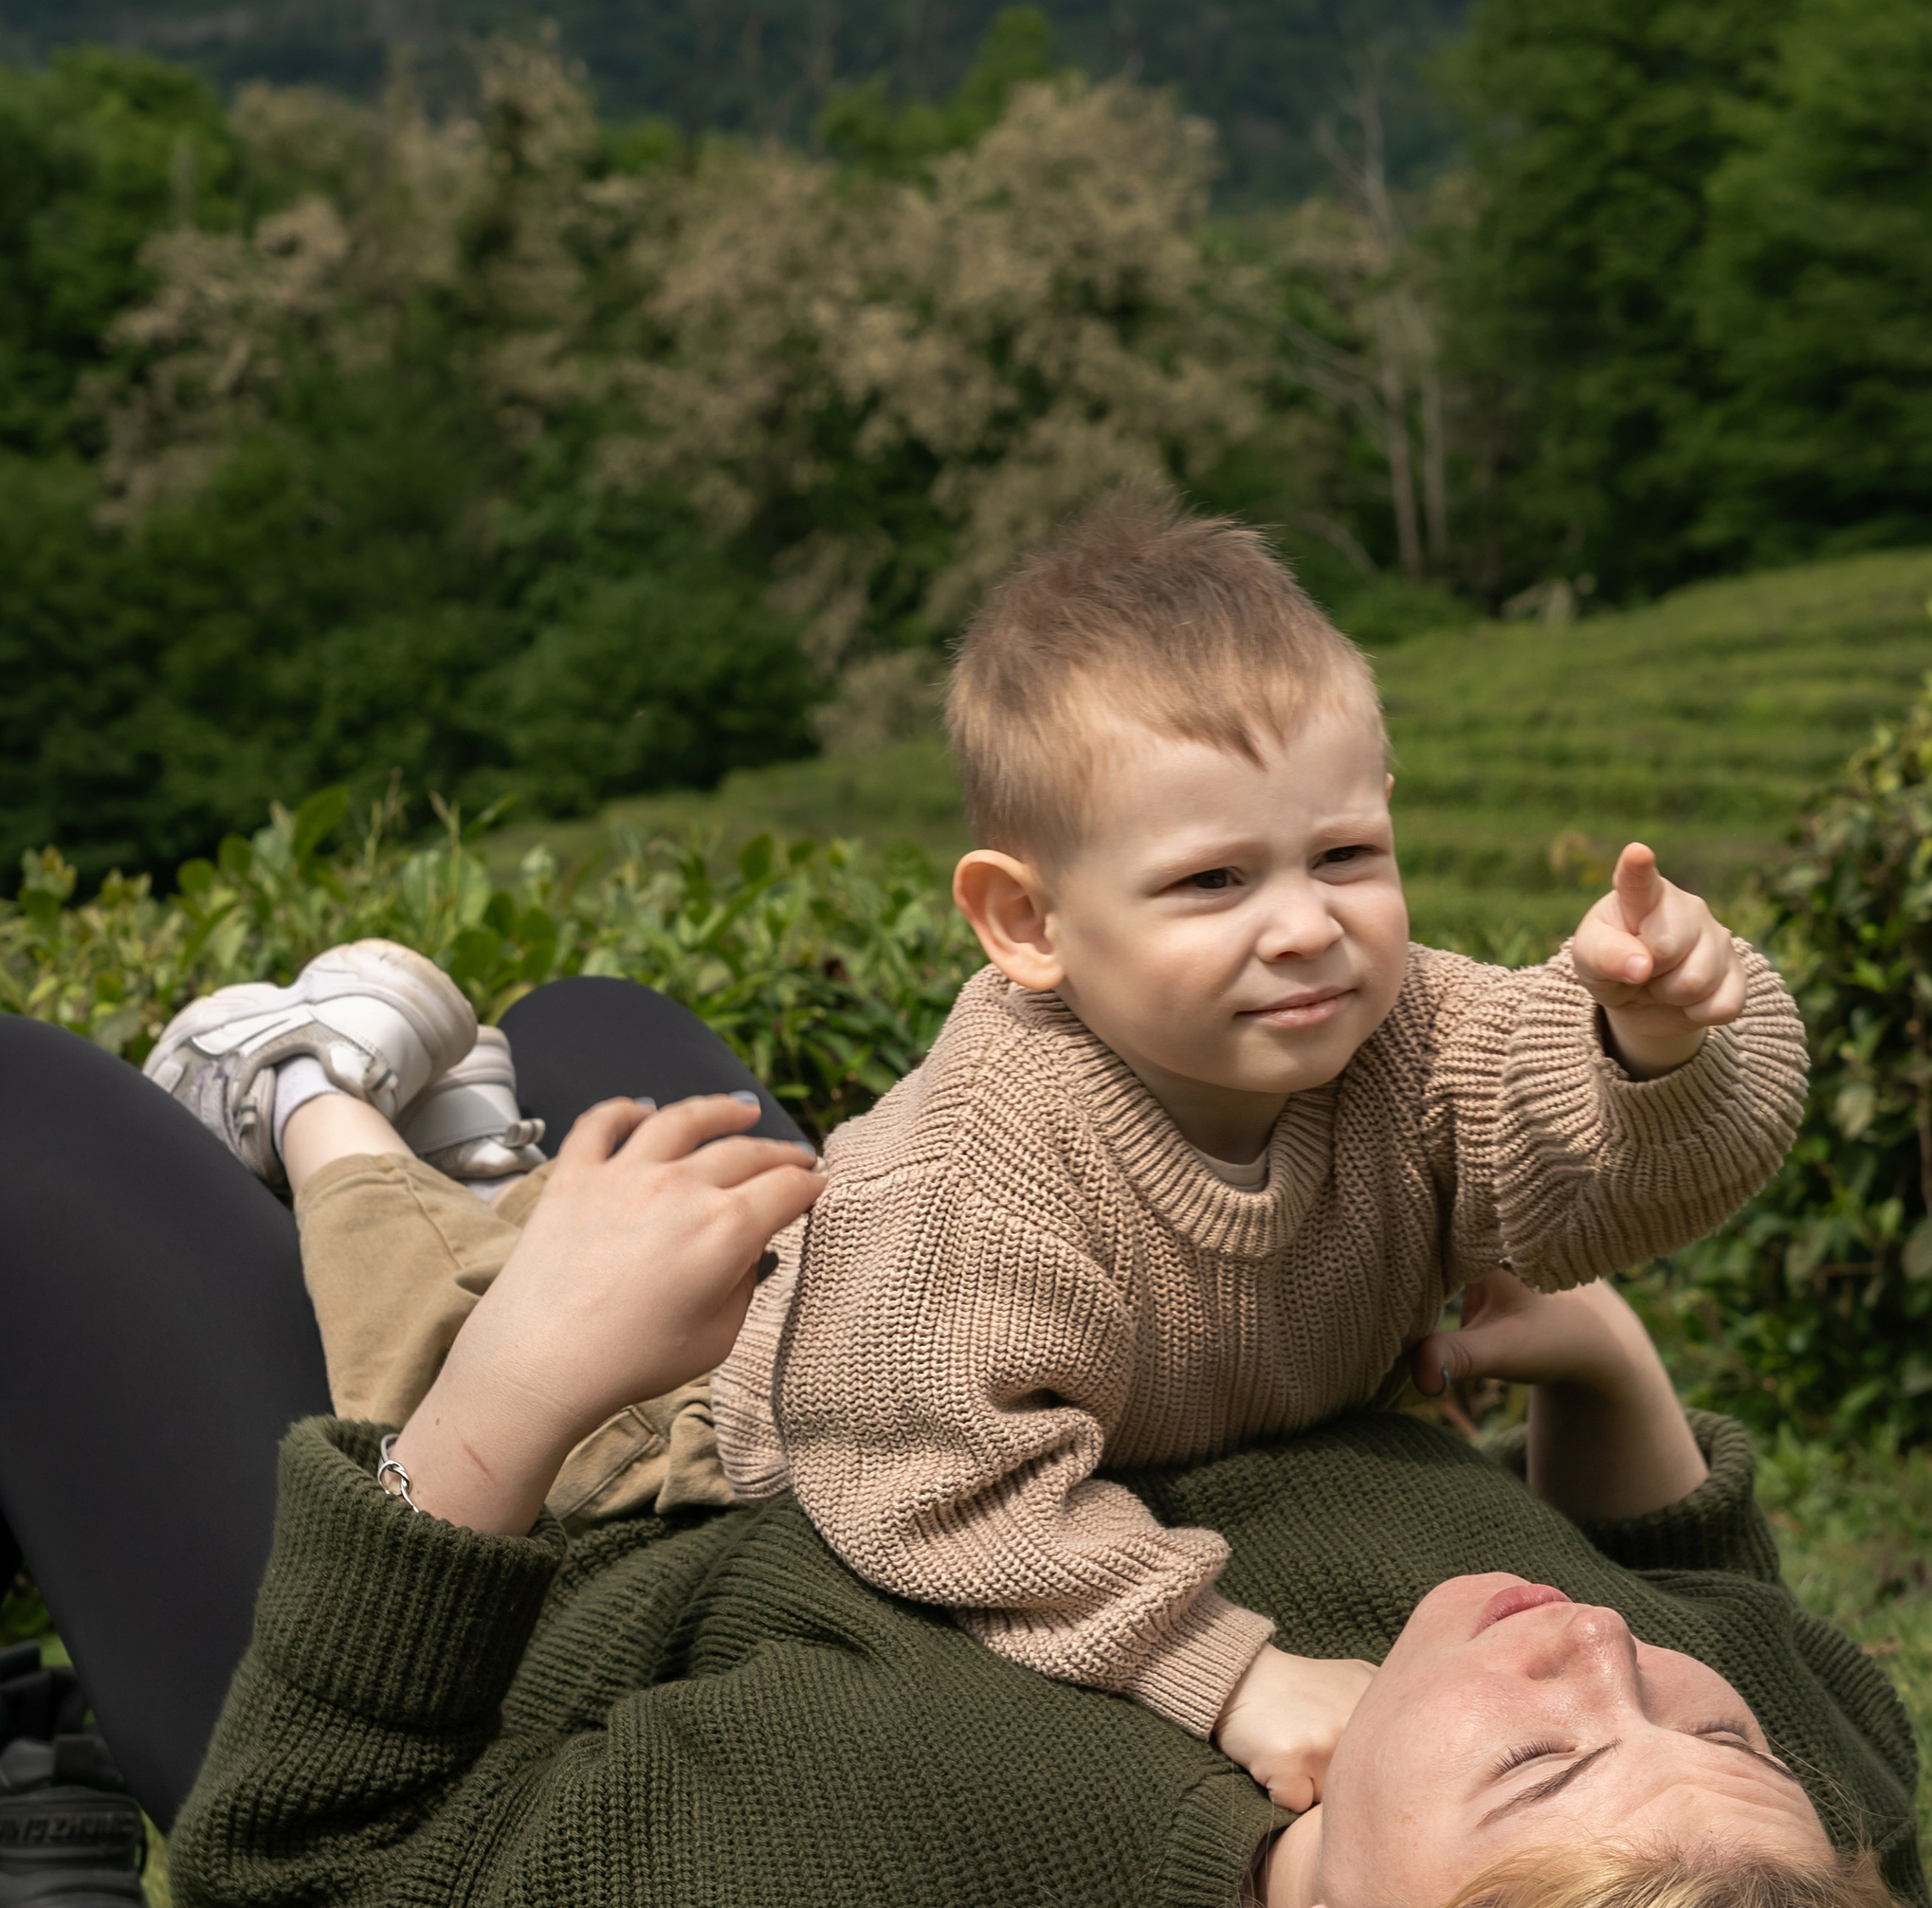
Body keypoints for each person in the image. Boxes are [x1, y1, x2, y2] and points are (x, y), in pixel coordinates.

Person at [0, 990, 1932, 1908]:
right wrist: (1606, 1379)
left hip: (537, 1554)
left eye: (1542, 1764)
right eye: (1699, 1726)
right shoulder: (1768, 1843)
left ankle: (74, 1705)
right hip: (884, 1406)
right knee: (599, 1034)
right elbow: (1725, 1626)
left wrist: (517, 1385)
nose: (1599, 1655)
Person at [710, 500, 1813, 1812]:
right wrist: (1227, 1675)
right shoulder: (972, 1180)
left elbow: (1600, 1169)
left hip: (1203, 1460)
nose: (1304, 926)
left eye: (1342, 856)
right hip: (795, 1450)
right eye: (1213, 881)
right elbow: (930, 1479)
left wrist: (1653, 1043)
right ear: (1027, 921)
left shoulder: (1413, 1037)